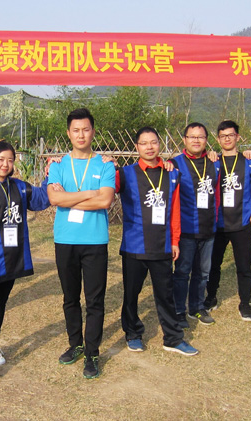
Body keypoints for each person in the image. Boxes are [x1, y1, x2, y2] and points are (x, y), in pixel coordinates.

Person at [0, 141, 50, 385]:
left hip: (12, 258)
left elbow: (42, 199)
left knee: (1, 302)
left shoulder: (19, 187)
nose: (5, 164)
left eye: (10, 160)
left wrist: (50, 176)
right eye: (1, 159)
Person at [117, 126, 199, 356]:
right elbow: (103, 186)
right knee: (131, 294)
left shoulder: (172, 173)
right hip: (134, 246)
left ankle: (172, 338)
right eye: (144, 143)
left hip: (162, 245)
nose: (149, 147)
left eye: (153, 142)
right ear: (136, 147)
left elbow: (175, 210)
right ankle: (133, 333)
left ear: (159, 144)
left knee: (166, 294)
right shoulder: (125, 173)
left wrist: (175, 240)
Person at [47, 108, 115, 379]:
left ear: (93, 132)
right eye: (76, 130)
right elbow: (54, 199)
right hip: (65, 240)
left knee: (95, 300)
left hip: (95, 241)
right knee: (70, 297)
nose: (81, 135)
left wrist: (70, 198)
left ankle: (92, 353)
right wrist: (89, 193)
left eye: (86, 129)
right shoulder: (57, 164)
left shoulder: (105, 164)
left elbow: (105, 201)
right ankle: (75, 344)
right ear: (68, 133)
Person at [204, 121, 251, 322]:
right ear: (218, 139)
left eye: (230, 135)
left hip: (242, 224)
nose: (227, 139)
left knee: (244, 267)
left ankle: (244, 303)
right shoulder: (212, 161)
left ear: (237, 137)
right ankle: (211, 297)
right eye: (223, 136)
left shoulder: (250, 162)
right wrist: (208, 154)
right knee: (213, 265)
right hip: (217, 224)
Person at [171, 123, 221, 328]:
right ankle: (178, 310)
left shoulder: (215, 162)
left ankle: (197, 307)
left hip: (208, 228)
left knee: (203, 272)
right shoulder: (174, 164)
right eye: (192, 137)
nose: (196, 140)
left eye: (200, 137)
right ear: (184, 139)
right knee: (182, 272)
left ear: (207, 140)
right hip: (186, 229)